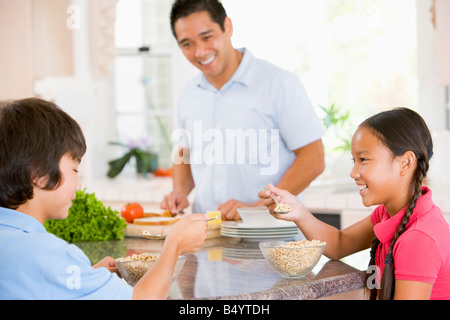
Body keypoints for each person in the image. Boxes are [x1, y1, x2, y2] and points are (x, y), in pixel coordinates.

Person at [0, 98, 208, 300]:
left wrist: (85, 279)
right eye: (74, 169)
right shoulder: (49, 255)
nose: (79, 184)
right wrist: (174, 245)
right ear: (39, 174)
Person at [259, 107, 450, 300]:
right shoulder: (388, 213)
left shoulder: (419, 238)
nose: (353, 172)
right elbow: (339, 244)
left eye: (364, 159)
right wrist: (298, 211)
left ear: (406, 163)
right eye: (354, 160)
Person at [161, 0, 325, 220]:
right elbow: (186, 152)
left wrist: (259, 206)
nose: (200, 51)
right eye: (187, 44)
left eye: (207, 37)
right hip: (208, 237)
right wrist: (180, 191)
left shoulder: (278, 83)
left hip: (273, 236)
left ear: (227, 26)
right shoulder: (188, 94)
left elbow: (313, 158)